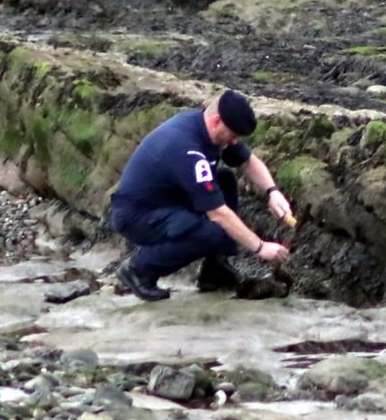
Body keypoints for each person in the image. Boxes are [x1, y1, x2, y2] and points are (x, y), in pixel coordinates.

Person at [110, 89, 293, 301]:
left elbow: (249, 161)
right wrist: (260, 247)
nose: (234, 142)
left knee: (225, 179)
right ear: (216, 121)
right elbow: (218, 214)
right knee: (211, 233)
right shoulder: (188, 149)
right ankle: (139, 270)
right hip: (138, 215)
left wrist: (273, 192)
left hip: (169, 200)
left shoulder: (210, 131)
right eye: (233, 136)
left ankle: (215, 269)